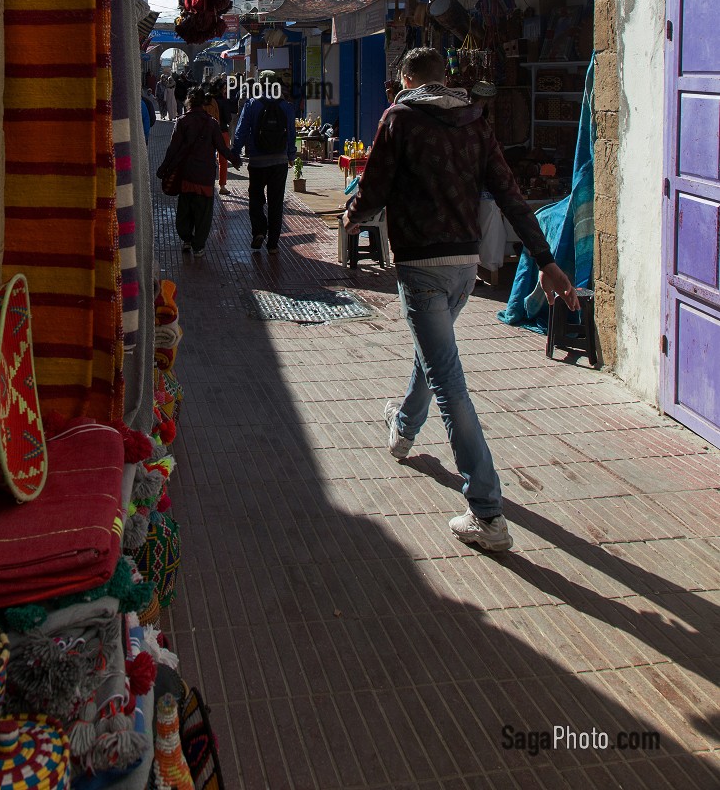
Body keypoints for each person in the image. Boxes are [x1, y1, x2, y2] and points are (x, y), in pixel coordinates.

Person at [342, 45, 578, 554]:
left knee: (449, 382)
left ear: (407, 80)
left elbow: (375, 186)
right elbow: (511, 195)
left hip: (421, 267)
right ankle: (403, 427)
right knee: (435, 357)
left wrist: (353, 216)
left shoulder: (399, 118)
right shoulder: (475, 121)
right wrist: (546, 260)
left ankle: (487, 510)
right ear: (442, 79)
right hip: (464, 269)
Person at [157, 86, 239, 257]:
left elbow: (173, 149)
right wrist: (235, 159)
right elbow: (222, 148)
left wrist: (164, 168)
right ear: (203, 102)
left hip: (186, 173)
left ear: (188, 101)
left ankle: (187, 239)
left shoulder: (182, 121)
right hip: (205, 175)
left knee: (185, 209)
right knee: (203, 213)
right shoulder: (212, 123)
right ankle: (198, 246)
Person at [231, 72, 297, 254]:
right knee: (276, 201)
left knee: (256, 199)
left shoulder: (252, 104)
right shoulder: (286, 106)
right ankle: (273, 243)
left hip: (257, 161)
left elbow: (241, 131)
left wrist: (235, 154)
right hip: (280, 162)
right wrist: (291, 155)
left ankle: (259, 231)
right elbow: (291, 133)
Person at [208, 77, 233, 194]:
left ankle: (208, 182)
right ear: (222, 88)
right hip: (222, 132)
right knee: (223, 160)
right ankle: (222, 186)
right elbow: (228, 119)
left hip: (208, 132)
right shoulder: (224, 101)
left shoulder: (208, 100)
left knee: (207, 157)